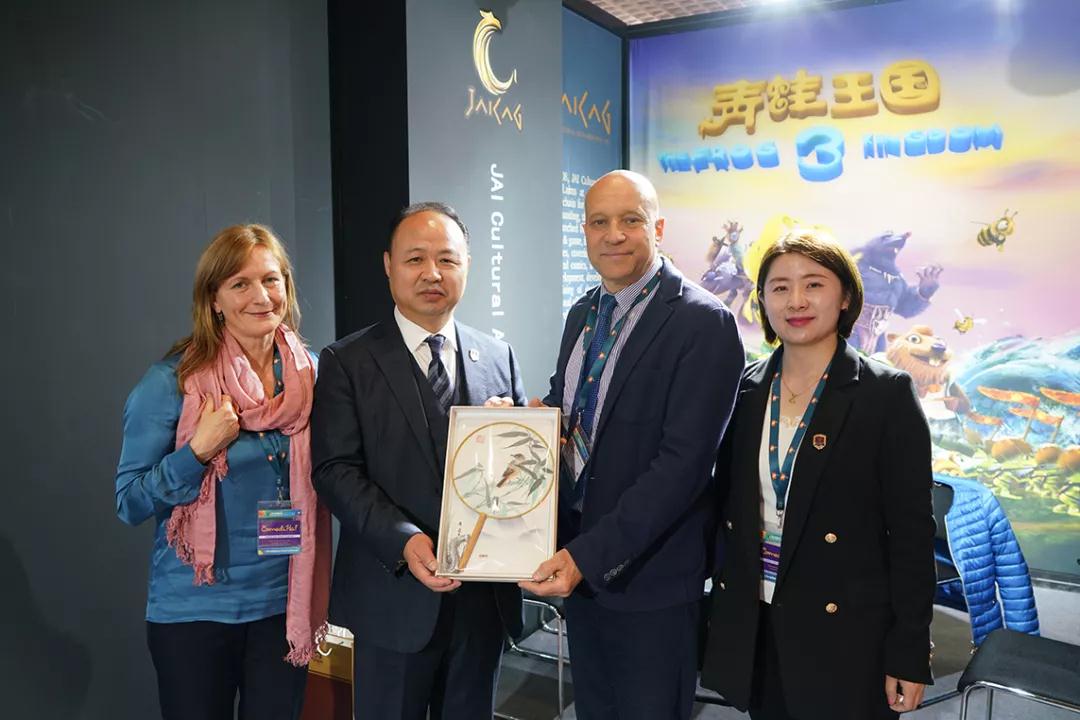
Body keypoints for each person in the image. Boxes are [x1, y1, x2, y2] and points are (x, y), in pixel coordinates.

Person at [519, 170, 745, 719]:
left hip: (651, 578)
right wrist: (524, 423)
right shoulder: (583, 313)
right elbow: (571, 406)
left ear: (657, 228)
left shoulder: (703, 322)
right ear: (585, 231)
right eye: (599, 222)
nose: (614, 234)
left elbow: (683, 466)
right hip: (580, 564)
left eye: (630, 220)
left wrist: (587, 557)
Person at [699, 229, 936, 719]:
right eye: (780, 287)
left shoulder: (885, 395)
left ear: (845, 296)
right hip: (757, 619)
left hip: (847, 631)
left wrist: (909, 648)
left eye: (813, 284)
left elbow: (912, 534)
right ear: (763, 300)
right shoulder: (746, 389)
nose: (796, 301)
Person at [311, 202, 526, 719]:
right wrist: (405, 540)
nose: (432, 273)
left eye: (447, 259)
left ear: (467, 266)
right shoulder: (347, 361)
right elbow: (335, 471)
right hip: (392, 597)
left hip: (481, 604)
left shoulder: (498, 357)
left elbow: (520, 473)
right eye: (415, 259)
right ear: (389, 265)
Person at [116, 224, 331, 720]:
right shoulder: (172, 382)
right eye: (240, 284)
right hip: (195, 613)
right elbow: (129, 501)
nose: (261, 296)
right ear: (214, 299)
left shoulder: (313, 375)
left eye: (271, 280)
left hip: (283, 608)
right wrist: (197, 451)